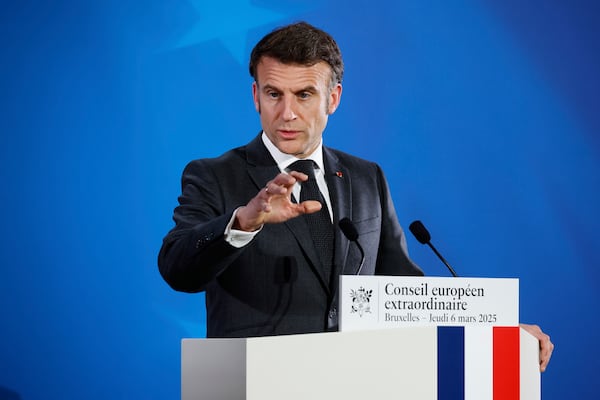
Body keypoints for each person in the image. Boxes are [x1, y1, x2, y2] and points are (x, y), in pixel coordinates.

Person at [158, 21, 553, 371]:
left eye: (305, 95)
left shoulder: (366, 177)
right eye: (274, 94)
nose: (287, 113)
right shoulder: (214, 175)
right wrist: (244, 221)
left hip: (357, 378)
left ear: (333, 98)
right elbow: (178, 269)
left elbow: (404, 291)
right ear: (256, 97)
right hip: (255, 380)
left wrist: (497, 331)